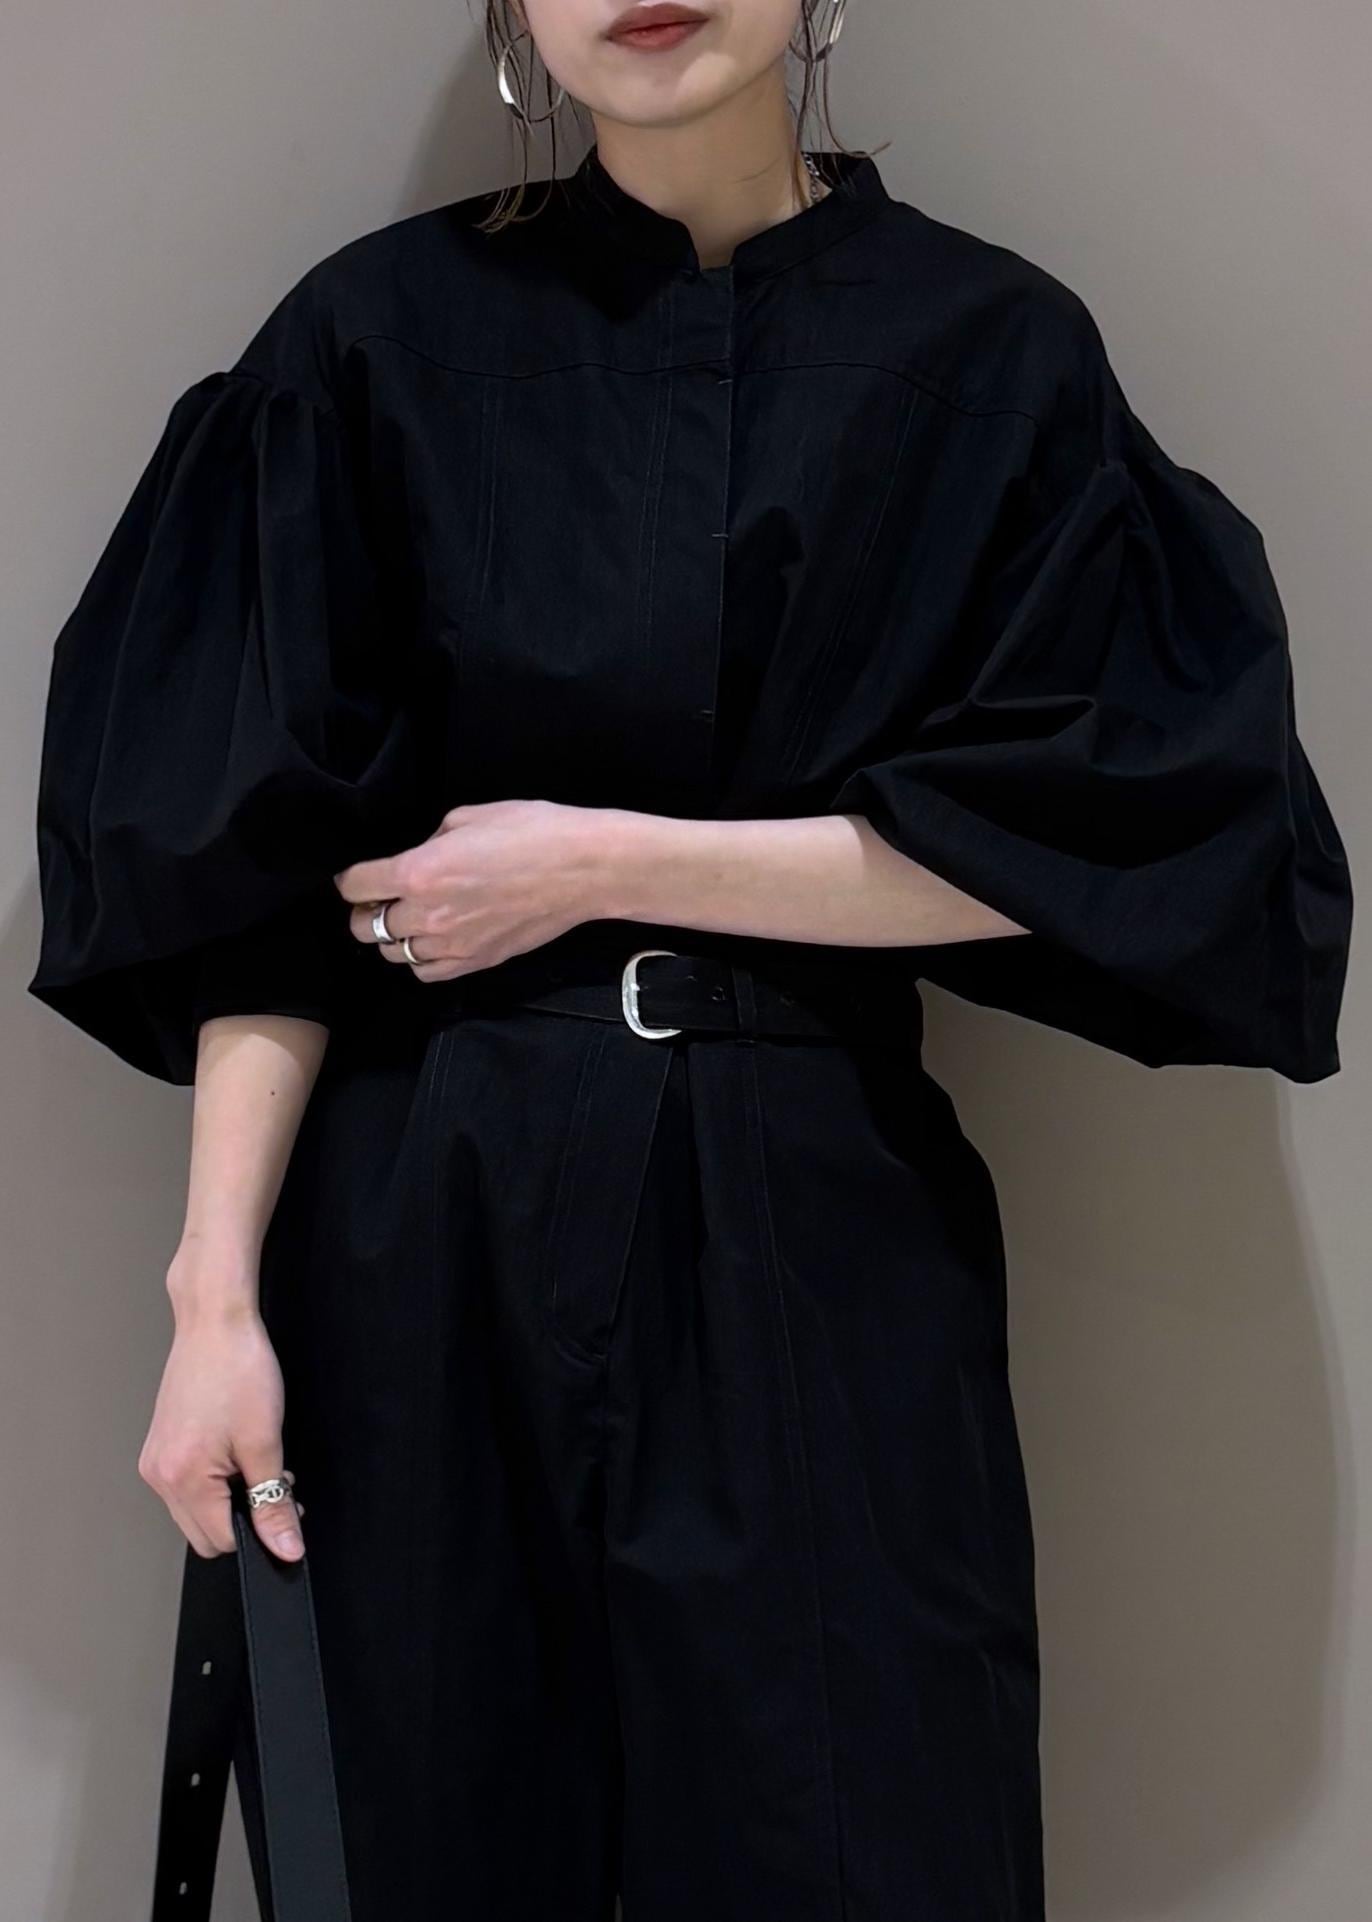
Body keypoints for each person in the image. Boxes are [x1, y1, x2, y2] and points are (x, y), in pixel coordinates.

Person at [27, 3, 1352, 1919]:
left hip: (817, 1220)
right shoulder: (374, 341)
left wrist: (592, 863)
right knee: (431, 1842)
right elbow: (254, 885)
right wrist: (211, 1298)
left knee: (871, 1838)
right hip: (428, 1221)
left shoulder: (991, 355)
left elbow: (1111, 837)